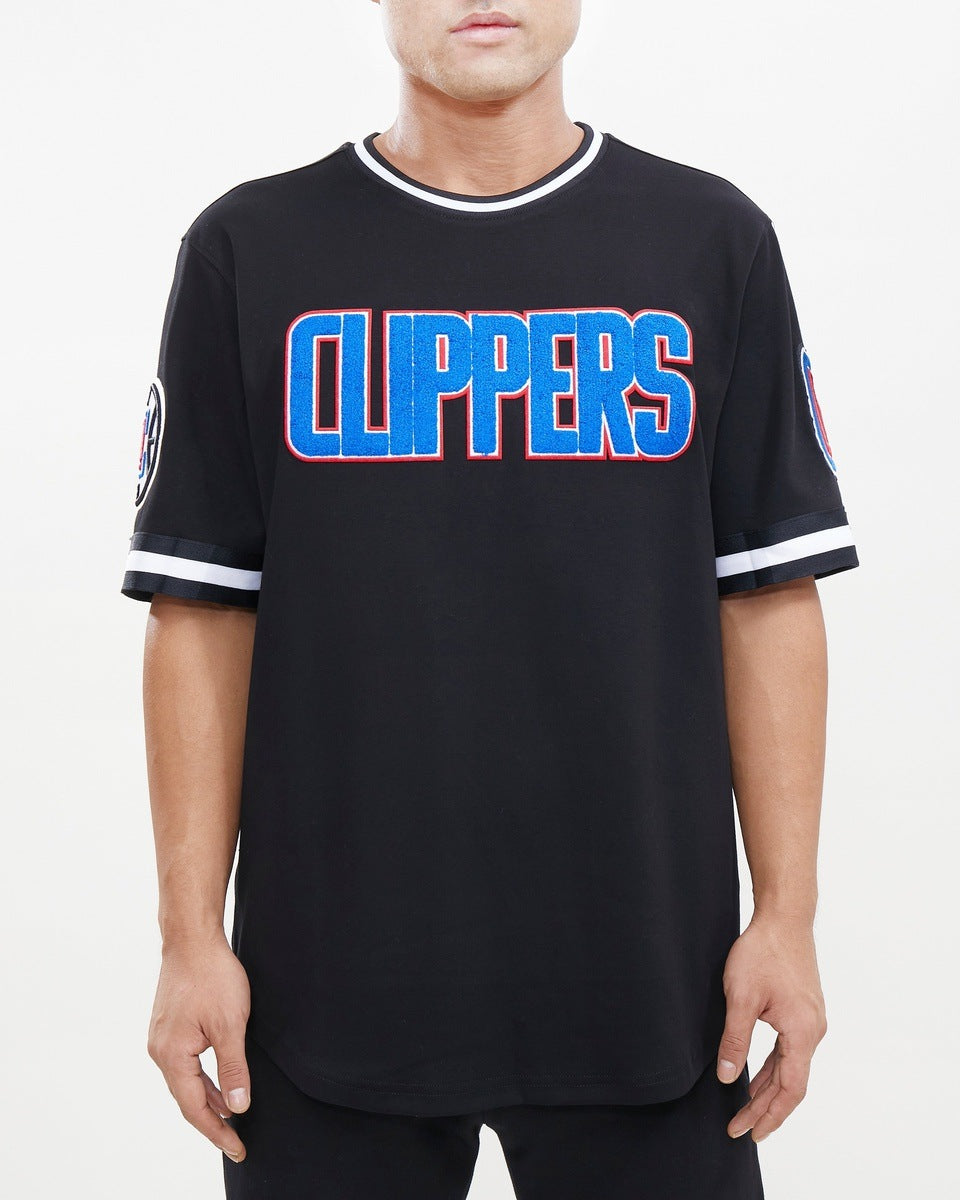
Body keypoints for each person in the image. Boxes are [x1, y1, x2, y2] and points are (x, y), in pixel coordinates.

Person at [120, 2, 860, 1196]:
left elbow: (767, 593)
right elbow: (202, 609)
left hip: (656, 984)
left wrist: (787, 915)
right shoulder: (250, 250)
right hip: (322, 993)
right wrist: (189, 938)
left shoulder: (709, 240)